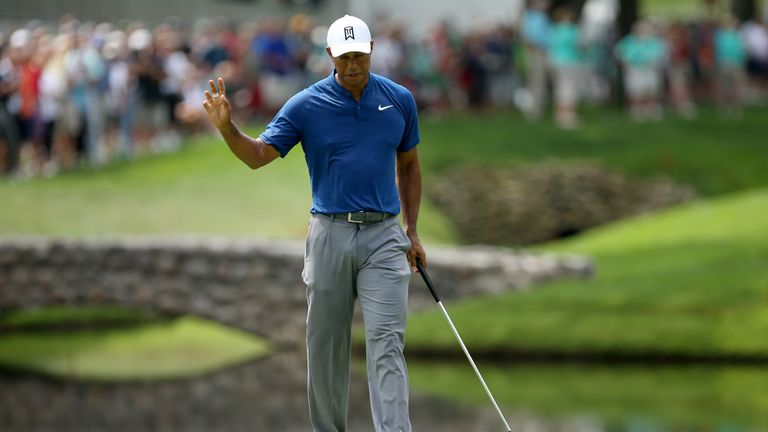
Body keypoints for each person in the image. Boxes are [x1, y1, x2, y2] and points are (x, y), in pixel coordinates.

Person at [202, 14, 426, 432]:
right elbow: (257, 156)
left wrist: (411, 231)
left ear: (372, 49)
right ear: (329, 56)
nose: (353, 64)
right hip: (329, 234)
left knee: (386, 344)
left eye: (359, 54)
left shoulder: (399, 100)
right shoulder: (306, 104)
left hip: (384, 235)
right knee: (325, 348)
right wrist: (227, 127)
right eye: (344, 57)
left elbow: (409, 165)